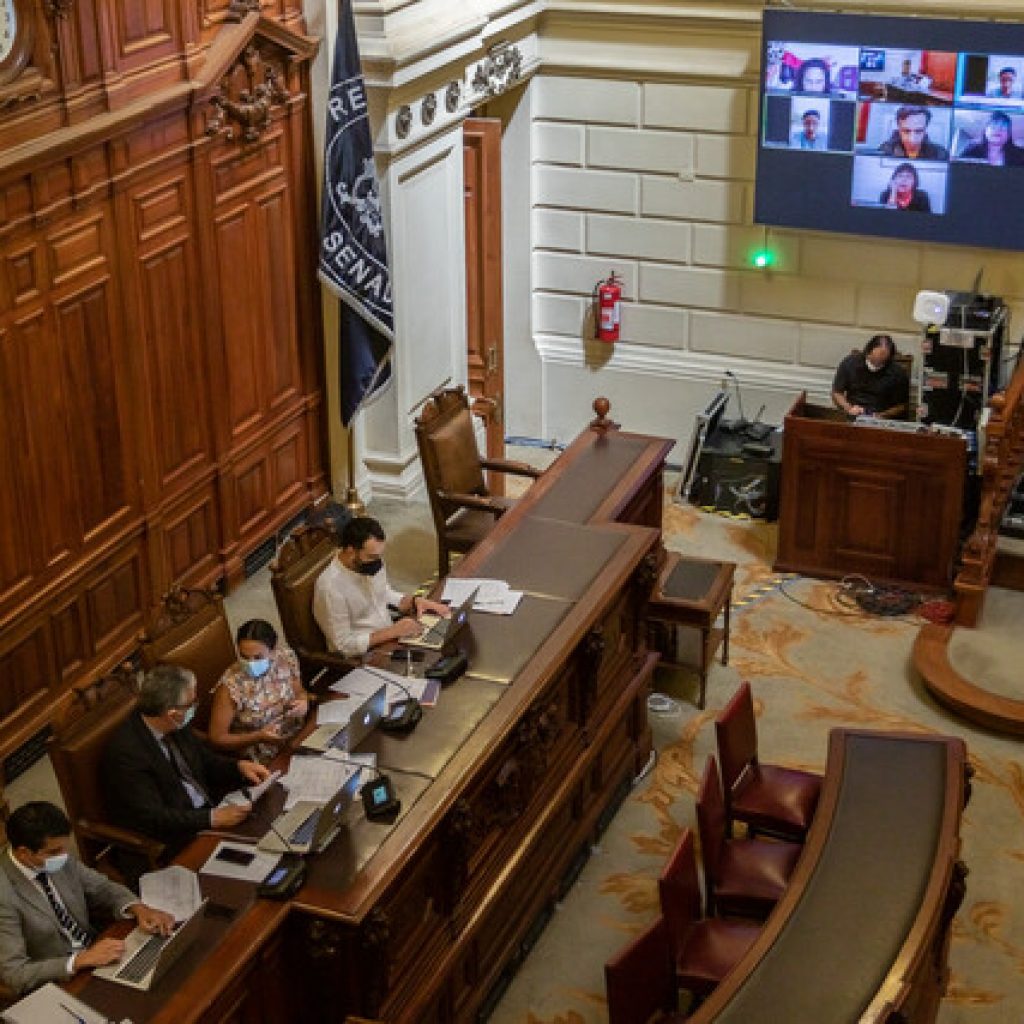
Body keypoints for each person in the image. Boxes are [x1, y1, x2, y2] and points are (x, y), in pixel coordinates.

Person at [0, 801, 174, 996]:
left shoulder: (56, 857)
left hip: (99, 950)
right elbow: (14, 974)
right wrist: (79, 960)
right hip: (63, 981)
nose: (64, 857)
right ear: (24, 853)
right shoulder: (4, 895)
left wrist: (139, 909)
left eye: (64, 848)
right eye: (55, 852)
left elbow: (102, 887)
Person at [103, 665, 270, 859]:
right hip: (179, 837)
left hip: (211, 810)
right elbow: (154, 817)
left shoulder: (175, 724)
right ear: (171, 713)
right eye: (191, 703)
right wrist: (211, 818)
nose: (194, 707)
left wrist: (238, 767)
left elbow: (204, 760)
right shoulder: (127, 754)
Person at [312, 515, 450, 658]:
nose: (378, 562)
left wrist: (413, 601)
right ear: (350, 550)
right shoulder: (330, 589)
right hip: (365, 656)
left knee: (445, 645)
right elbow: (342, 647)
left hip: (391, 638)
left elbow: (383, 593)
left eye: (379, 555)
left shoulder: (369, 563)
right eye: (372, 557)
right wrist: (392, 632)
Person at [208, 619, 310, 762]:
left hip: (297, 733)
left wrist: (303, 701)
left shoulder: (286, 657)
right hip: (263, 752)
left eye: (258, 657)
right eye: (244, 657)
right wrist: (258, 737)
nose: (250, 663)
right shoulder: (230, 686)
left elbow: (300, 692)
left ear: (274, 650)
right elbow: (217, 738)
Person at [832, 334, 910, 419]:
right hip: (852, 412)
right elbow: (837, 392)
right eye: (878, 355)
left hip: (881, 416)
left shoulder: (897, 373)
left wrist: (881, 415)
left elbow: (901, 406)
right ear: (868, 351)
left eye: (884, 357)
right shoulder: (850, 363)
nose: (880, 359)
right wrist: (848, 407)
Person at [878, 106, 948, 160]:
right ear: (898, 128)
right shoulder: (884, 151)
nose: (912, 140)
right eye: (906, 131)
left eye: (918, 131)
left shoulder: (940, 154)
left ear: (925, 129)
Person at [959, 112, 1024, 166]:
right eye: (993, 126)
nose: (998, 130)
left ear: (1009, 133)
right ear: (985, 131)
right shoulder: (971, 151)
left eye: (1003, 126)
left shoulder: (1020, 155)